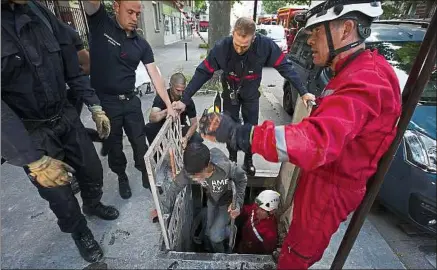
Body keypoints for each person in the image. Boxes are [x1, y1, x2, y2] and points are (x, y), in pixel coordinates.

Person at [198, 1, 401, 268]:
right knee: (294, 244)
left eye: (316, 32)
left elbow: (314, 141)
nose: (309, 41)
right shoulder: (352, 72)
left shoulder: (366, 81)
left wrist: (241, 134)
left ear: (346, 29)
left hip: (327, 191)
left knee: (296, 257)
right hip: (321, 178)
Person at [1, 0, 120, 263]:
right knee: (59, 193)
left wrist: (95, 106)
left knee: (92, 169)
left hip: (64, 114)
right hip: (31, 131)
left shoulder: (39, 12)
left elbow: (73, 68)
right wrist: (32, 159)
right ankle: (80, 232)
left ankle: (92, 204)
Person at [172, 17, 316, 177]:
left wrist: (303, 91)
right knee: (228, 129)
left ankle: (248, 160)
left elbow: (285, 67)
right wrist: (184, 100)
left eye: (244, 46)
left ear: (253, 38)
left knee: (251, 130)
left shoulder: (265, 45)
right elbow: (202, 72)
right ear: (233, 34)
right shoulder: (222, 47)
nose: (239, 49)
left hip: (251, 95)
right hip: (230, 93)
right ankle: (232, 160)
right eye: (237, 44)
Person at [82, 0, 177, 200]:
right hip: (106, 103)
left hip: (131, 101)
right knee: (114, 145)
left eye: (138, 14)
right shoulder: (101, 23)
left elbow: (155, 76)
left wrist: (168, 105)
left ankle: (145, 173)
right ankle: (121, 176)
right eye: (130, 12)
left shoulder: (141, 44)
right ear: (116, 7)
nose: (134, 18)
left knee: (139, 142)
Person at [160, 142, 247, 253]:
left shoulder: (224, 167)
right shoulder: (191, 169)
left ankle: (224, 246)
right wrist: (163, 209)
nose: (193, 179)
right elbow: (176, 186)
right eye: (191, 175)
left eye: (196, 175)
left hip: (227, 203)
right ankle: (210, 250)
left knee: (215, 236)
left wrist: (238, 204)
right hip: (211, 200)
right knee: (207, 233)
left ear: (207, 167)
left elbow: (242, 178)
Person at [145, 73, 203, 148]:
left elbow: (194, 123)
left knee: (197, 139)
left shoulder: (186, 99)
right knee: (149, 128)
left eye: (183, 90)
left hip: (180, 126)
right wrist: (168, 110)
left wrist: (186, 137)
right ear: (170, 85)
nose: (181, 94)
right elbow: (152, 118)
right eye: (178, 90)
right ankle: (157, 155)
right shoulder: (162, 96)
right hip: (162, 126)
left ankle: (187, 157)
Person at [236, 190, 280, 255]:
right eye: (257, 207)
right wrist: (237, 209)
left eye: (262, 210)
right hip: (242, 244)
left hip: (250, 254)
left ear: (271, 211)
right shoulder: (258, 207)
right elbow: (247, 210)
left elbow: (267, 253)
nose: (257, 211)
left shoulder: (270, 234)